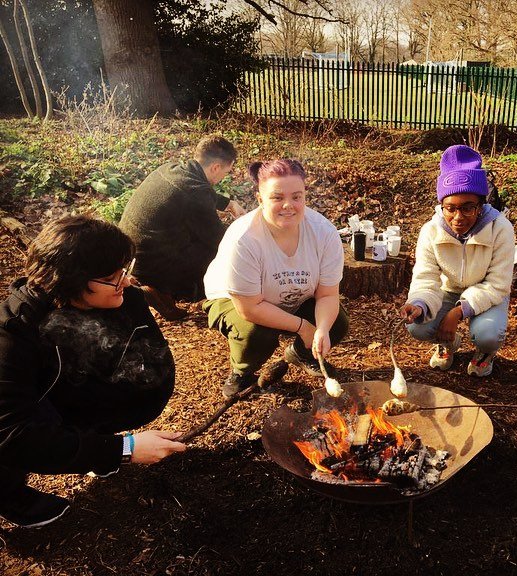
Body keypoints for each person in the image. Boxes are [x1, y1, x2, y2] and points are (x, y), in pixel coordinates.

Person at [0, 216, 187, 528]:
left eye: (125, 270)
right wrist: (124, 450)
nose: (126, 282)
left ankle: (89, 449)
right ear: (73, 280)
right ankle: (10, 496)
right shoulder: (11, 338)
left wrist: (103, 448)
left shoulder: (115, 299)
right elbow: (11, 435)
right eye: (113, 277)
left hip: (49, 401)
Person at [203, 159, 349, 398]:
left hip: (291, 296)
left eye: (296, 196)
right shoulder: (244, 239)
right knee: (257, 333)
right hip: (237, 302)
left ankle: (302, 354)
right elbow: (250, 308)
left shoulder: (324, 233)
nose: (288, 205)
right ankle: (242, 372)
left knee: (337, 323)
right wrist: (303, 327)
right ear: (260, 200)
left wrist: (321, 329)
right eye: (277, 197)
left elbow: (327, 294)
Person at [399, 145, 516, 377]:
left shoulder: (500, 229)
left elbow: (498, 284)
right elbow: (426, 277)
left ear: (481, 205)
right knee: (417, 326)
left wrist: (457, 313)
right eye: (450, 208)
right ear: (441, 205)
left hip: (487, 293)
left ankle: (484, 352)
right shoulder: (431, 231)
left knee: (488, 334)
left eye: (468, 208)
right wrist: (420, 304)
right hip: (448, 290)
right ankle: (448, 342)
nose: (458, 217)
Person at [119, 135, 246, 320]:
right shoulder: (196, 192)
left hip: (130, 254)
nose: (223, 177)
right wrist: (244, 229)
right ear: (216, 167)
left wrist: (227, 203)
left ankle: (160, 289)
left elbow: (193, 192)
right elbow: (219, 240)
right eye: (225, 173)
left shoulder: (170, 169)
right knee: (220, 253)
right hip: (151, 263)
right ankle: (163, 290)